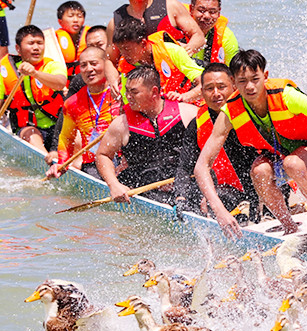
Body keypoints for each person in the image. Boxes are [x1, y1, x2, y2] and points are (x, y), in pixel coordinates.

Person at [195, 49, 307, 238]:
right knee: (259, 171)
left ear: (265, 76)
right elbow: (201, 166)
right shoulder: (230, 110)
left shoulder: (286, 96)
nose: (250, 87)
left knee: (293, 163)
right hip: (280, 153)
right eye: (242, 81)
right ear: (234, 83)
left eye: (255, 79)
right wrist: (219, 209)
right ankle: (289, 227)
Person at [95, 65, 197, 205]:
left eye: (134, 92)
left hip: (182, 190)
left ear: (154, 91)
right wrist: (114, 185)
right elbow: (103, 155)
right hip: (140, 193)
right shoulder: (121, 125)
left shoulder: (188, 114)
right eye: (127, 91)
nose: (127, 96)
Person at [177, 62, 260, 219]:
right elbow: (185, 167)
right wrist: (181, 198)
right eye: (209, 88)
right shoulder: (197, 125)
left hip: (266, 183)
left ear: (234, 86)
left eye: (221, 87)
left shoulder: (254, 112)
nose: (216, 93)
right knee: (197, 195)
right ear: (201, 92)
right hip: (232, 191)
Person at [105, 0, 204, 65]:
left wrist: (186, 51)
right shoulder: (115, 23)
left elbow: (199, 37)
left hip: (175, 70)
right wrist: (113, 80)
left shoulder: (171, 7)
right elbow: (110, 60)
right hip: (140, 77)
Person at [45, 47, 121, 179]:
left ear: (106, 64)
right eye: (83, 65)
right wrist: (62, 164)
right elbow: (66, 138)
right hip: (93, 164)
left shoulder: (122, 92)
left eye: (94, 63)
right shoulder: (72, 103)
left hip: (123, 159)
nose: (89, 69)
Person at [0, 25, 66, 159]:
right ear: (18, 48)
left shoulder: (51, 65)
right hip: (27, 128)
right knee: (31, 133)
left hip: (57, 126)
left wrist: (35, 73)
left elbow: (60, 83)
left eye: (40, 43)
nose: (36, 47)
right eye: (31, 43)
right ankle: (47, 159)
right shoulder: (5, 70)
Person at [112, 17, 203, 103]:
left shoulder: (172, 51)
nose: (124, 55)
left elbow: (205, 83)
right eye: (121, 50)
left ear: (143, 43)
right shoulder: (126, 66)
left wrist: (183, 97)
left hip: (189, 102)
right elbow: (128, 101)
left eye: (128, 49)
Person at [189, 0, 239, 66]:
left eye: (212, 12)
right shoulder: (176, 29)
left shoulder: (226, 38)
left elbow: (235, 74)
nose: (207, 16)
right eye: (201, 10)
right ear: (191, 9)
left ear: (219, 13)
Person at [54, 0, 89, 80]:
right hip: (63, 83)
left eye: (79, 16)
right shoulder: (54, 39)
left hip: (84, 81)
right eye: (71, 16)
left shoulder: (91, 35)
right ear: (60, 21)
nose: (76, 20)